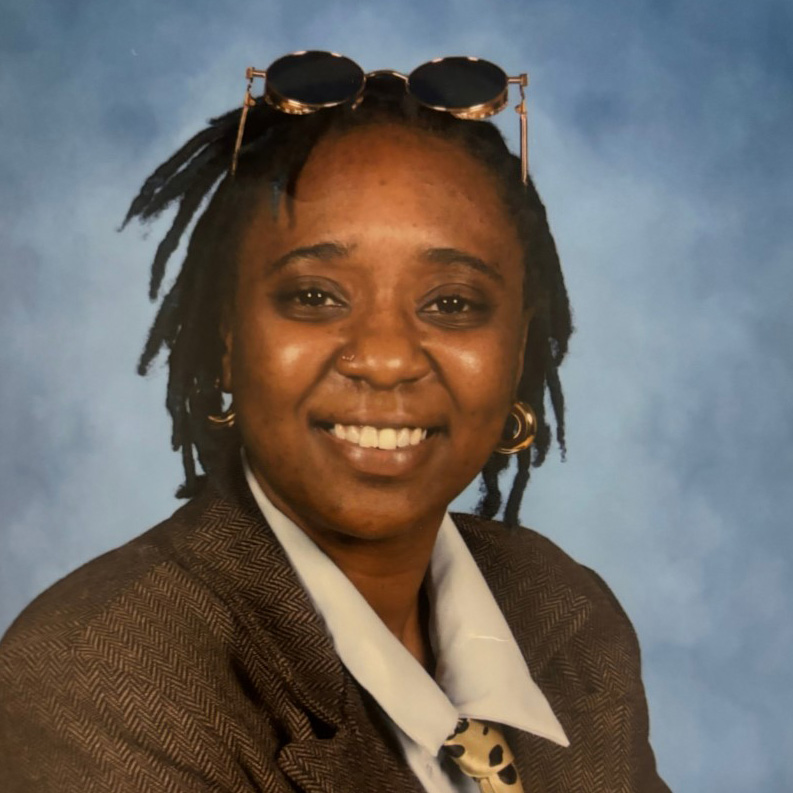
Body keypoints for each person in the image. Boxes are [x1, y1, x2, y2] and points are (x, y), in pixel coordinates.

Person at [0, 52, 670, 792]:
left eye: (451, 303)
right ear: (225, 343)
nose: (383, 360)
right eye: (314, 296)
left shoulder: (561, 609)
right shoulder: (104, 676)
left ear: (518, 351)